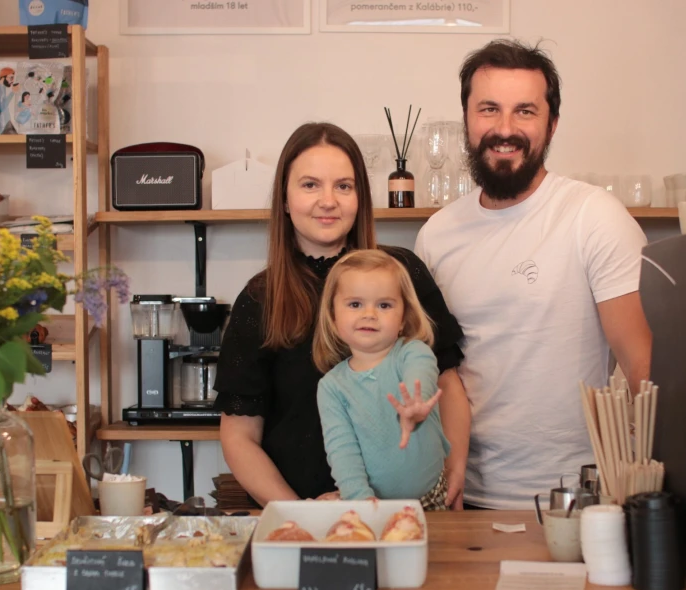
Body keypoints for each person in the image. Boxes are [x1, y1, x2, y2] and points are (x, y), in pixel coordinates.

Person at [414, 39, 652, 510]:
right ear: (466, 118)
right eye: (489, 109)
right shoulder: (436, 236)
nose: (505, 129)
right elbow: (434, 372)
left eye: (525, 111)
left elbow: (644, 367)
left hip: (580, 499)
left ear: (552, 123)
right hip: (464, 496)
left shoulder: (593, 215)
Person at [215, 122, 471, 508]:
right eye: (310, 185)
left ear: (360, 198)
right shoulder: (259, 299)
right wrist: (299, 514)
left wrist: (454, 468)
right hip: (304, 518)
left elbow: (447, 385)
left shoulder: (401, 273)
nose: (328, 200)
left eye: (344, 186)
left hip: (413, 512)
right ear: (284, 199)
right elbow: (239, 436)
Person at [313, 249, 450, 509]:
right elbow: (342, 451)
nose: (370, 314)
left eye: (384, 305)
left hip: (430, 499)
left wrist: (412, 409)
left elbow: (420, 375)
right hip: (371, 503)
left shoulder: (412, 352)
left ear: (402, 319)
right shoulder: (331, 387)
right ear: (333, 318)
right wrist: (359, 498)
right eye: (355, 304)